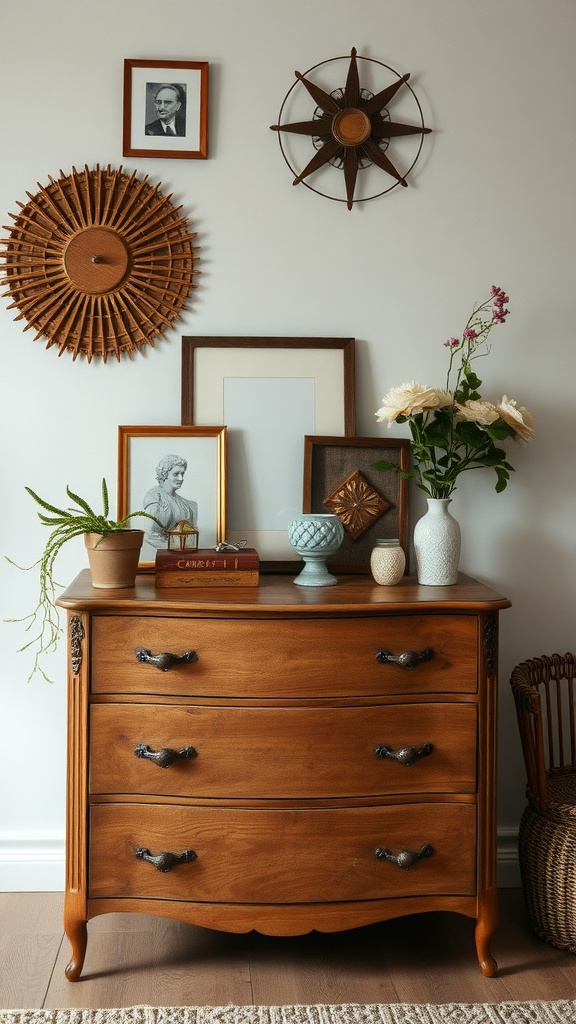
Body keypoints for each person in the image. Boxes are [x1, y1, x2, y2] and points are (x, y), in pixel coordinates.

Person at [143, 454, 198, 549]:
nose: (181, 479)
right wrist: (176, 548)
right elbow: (151, 535)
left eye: (182, 474)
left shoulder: (189, 505)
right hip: (167, 554)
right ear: (165, 474)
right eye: (176, 474)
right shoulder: (155, 496)